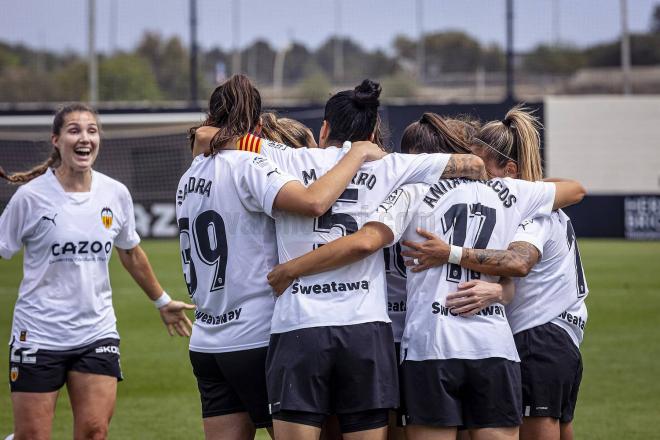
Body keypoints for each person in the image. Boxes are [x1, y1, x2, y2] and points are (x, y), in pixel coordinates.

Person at [194, 79, 487, 440]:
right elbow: (472, 164)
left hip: (298, 326)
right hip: (365, 328)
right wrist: (370, 154)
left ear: (324, 128)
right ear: (374, 129)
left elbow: (208, 135)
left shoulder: (283, 156)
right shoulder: (394, 166)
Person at [266, 109, 585, 440]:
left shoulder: (408, 193)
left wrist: (291, 268)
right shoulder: (511, 193)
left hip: (423, 343)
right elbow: (573, 193)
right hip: (491, 346)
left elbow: (365, 241)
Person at [181, 74, 386, 440]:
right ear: (258, 127)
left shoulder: (190, 174)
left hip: (207, 342)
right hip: (257, 335)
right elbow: (313, 202)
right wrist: (356, 154)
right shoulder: (249, 165)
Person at [0, 103, 194, 440]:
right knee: (31, 436)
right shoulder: (29, 198)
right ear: (56, 140)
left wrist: (162, 302)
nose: (84, 137)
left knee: (94, 431)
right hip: (38, 335)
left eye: (91, 130)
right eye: (74, 130)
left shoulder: (114, 193)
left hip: (96, 333)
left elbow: (131, 252)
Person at [402, 107, 588, 440]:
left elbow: (518, 263)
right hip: (541, 337)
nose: (472, 172)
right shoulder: (527, 200)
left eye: (480, 164)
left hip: (535, 335)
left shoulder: (529, 209)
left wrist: (450, 253)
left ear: (507, 169)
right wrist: (502, 291)